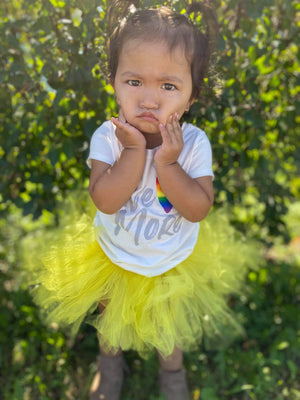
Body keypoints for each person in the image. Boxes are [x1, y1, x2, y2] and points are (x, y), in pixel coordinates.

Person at [27, 1, 258, 399]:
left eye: (168, 86)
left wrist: (167, 164)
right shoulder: (108, 137)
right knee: (109, 322)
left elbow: (198, 207)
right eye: (134, 82)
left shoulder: (194, 144)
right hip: (114, 256)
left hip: (170, 261)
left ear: (191, 96)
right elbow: (106, 200)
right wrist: (134, 153)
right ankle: (109, 369)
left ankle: (173, 377)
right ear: (113, 82)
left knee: (168, 328)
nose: (150, 99)